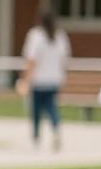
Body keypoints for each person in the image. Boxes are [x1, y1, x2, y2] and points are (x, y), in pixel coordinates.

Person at [20, 10, 71, 151]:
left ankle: (36, 136)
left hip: (38, 80)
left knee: (36, 110)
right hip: (54, 79)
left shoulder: (35, 36)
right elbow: (64, 59)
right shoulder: (60, 36)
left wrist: (25, 79)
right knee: (51, 107)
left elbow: (31, 60)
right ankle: (55, 128)